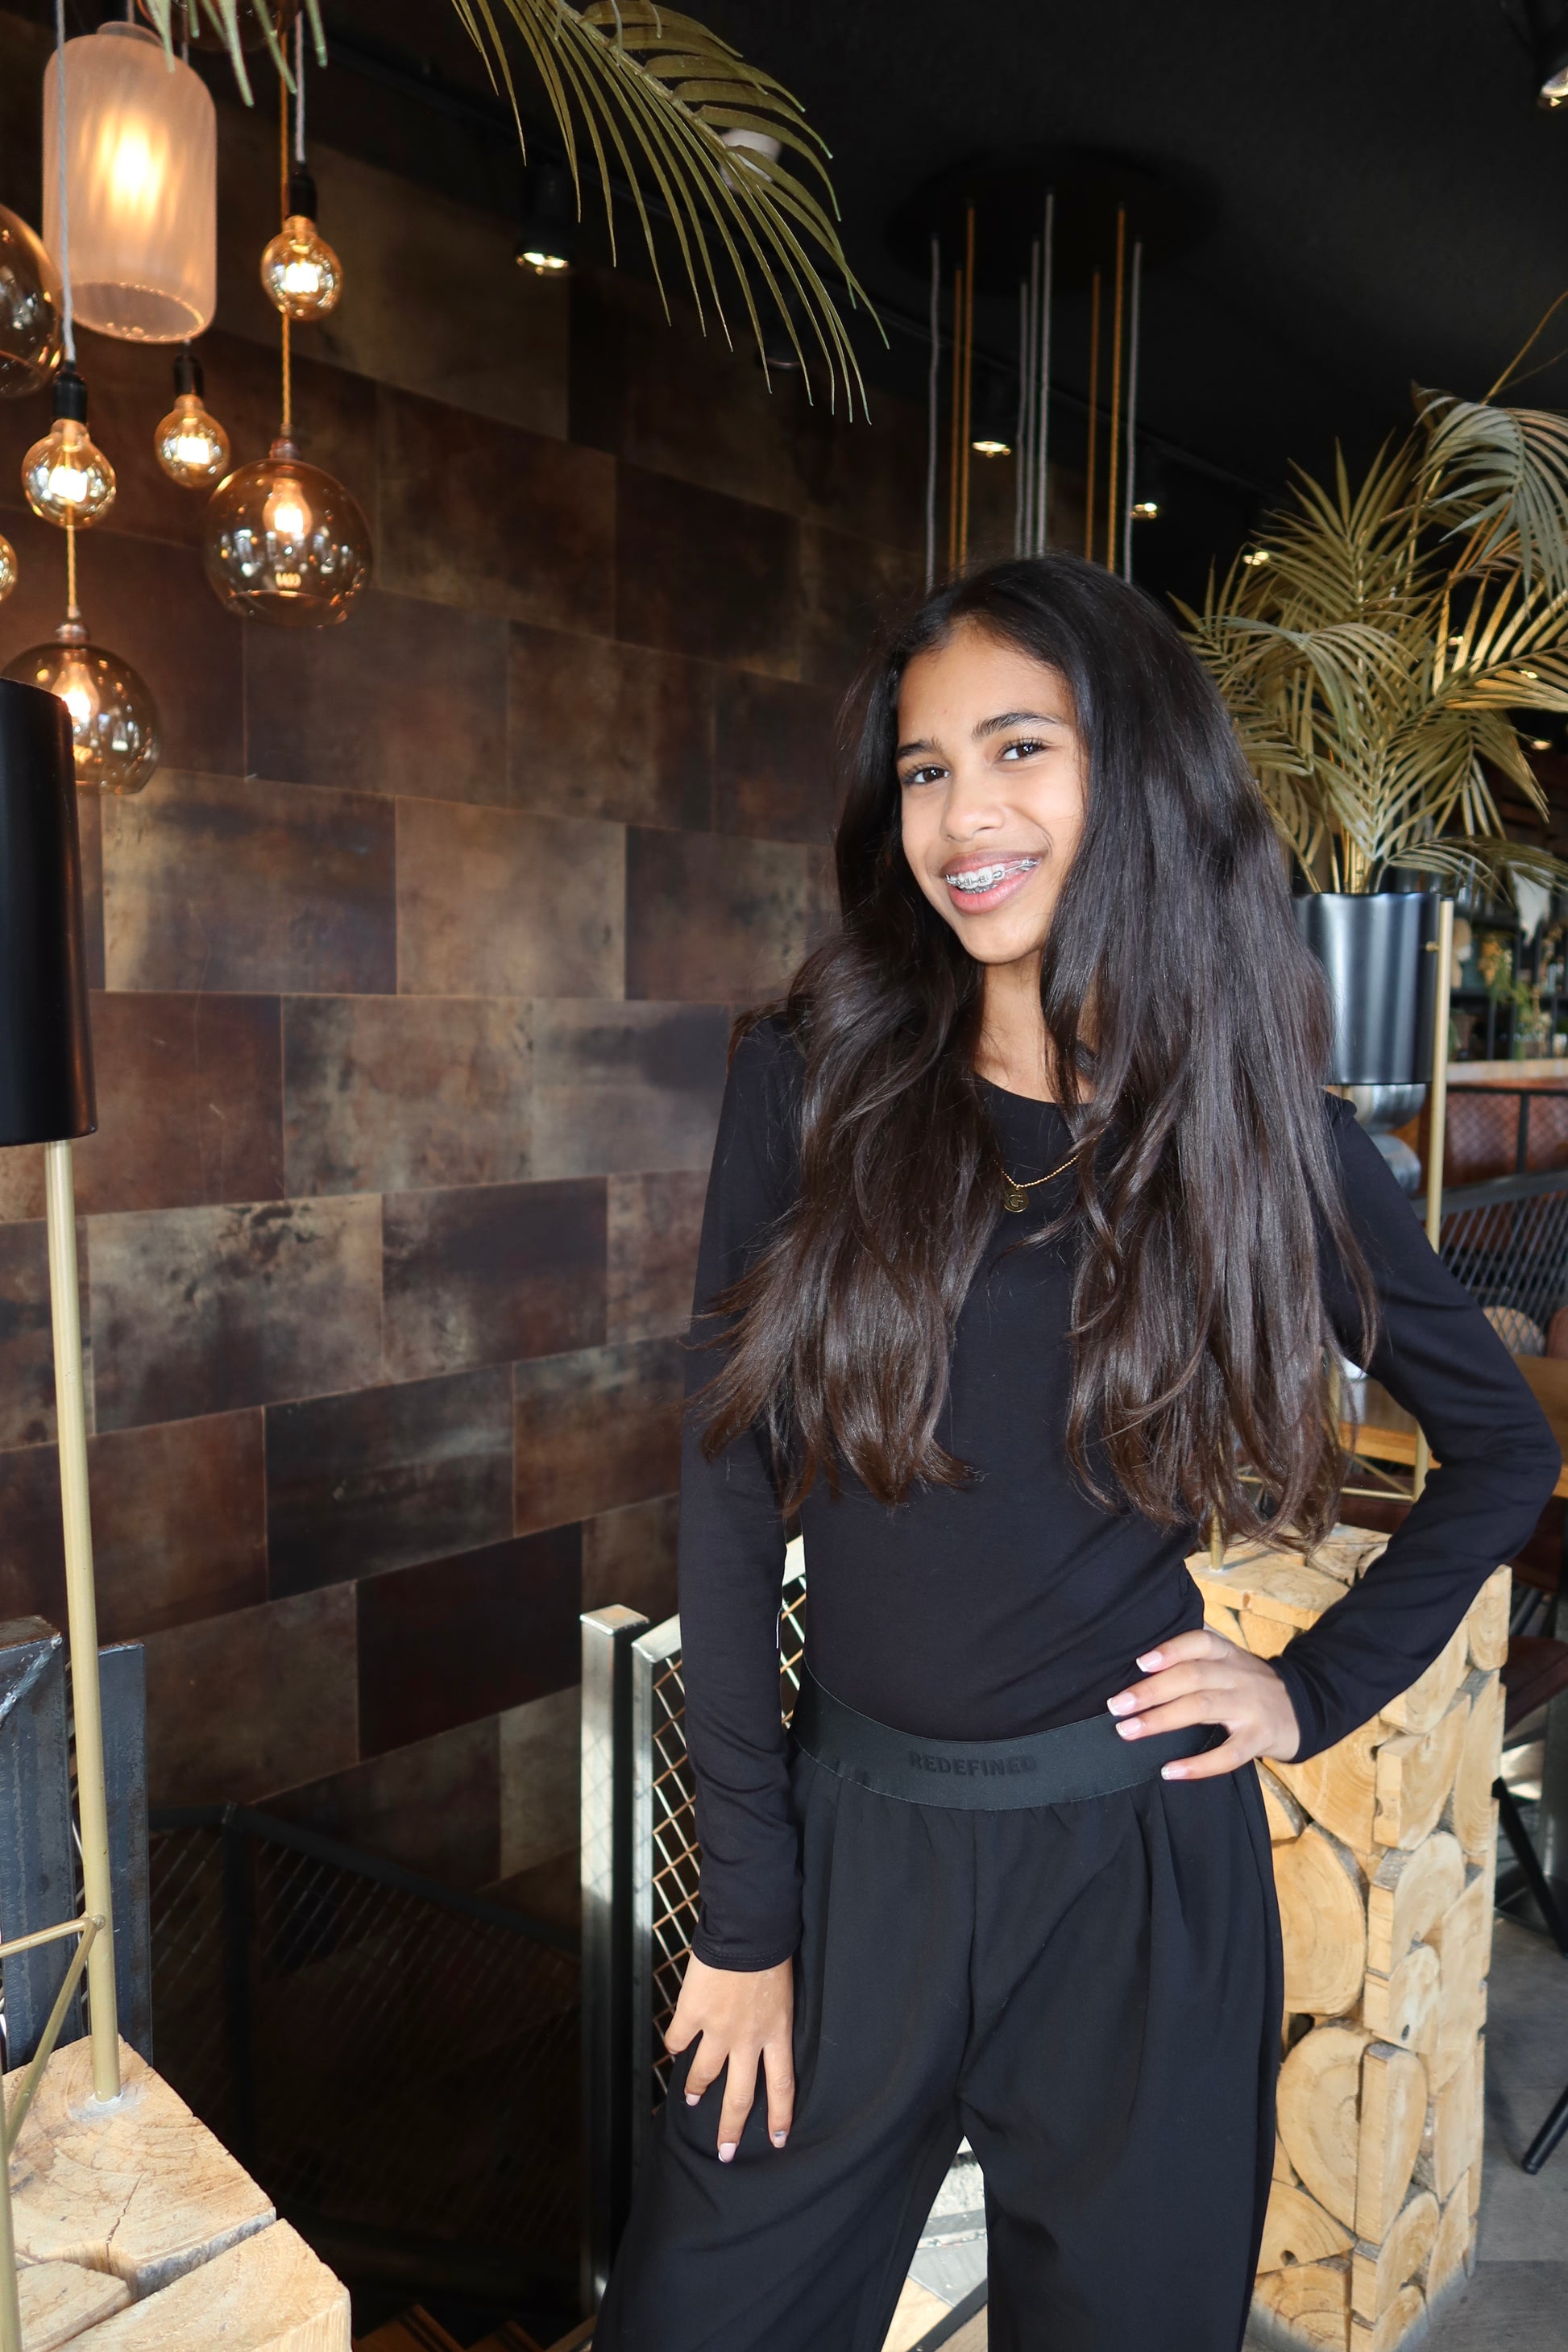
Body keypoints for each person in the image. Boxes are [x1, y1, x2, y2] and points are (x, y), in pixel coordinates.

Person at [590, 555, 1562, 2352]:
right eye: (924, 767)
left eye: (1017, 748)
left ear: (1136, 771)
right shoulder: (811, 1080)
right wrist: (745, 1915)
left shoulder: (1257, 1138)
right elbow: (726, 1489)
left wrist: (1307, 1690)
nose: (962, 815)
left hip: (1134, 1879)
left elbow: (1499, 1452)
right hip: (852, 1856)